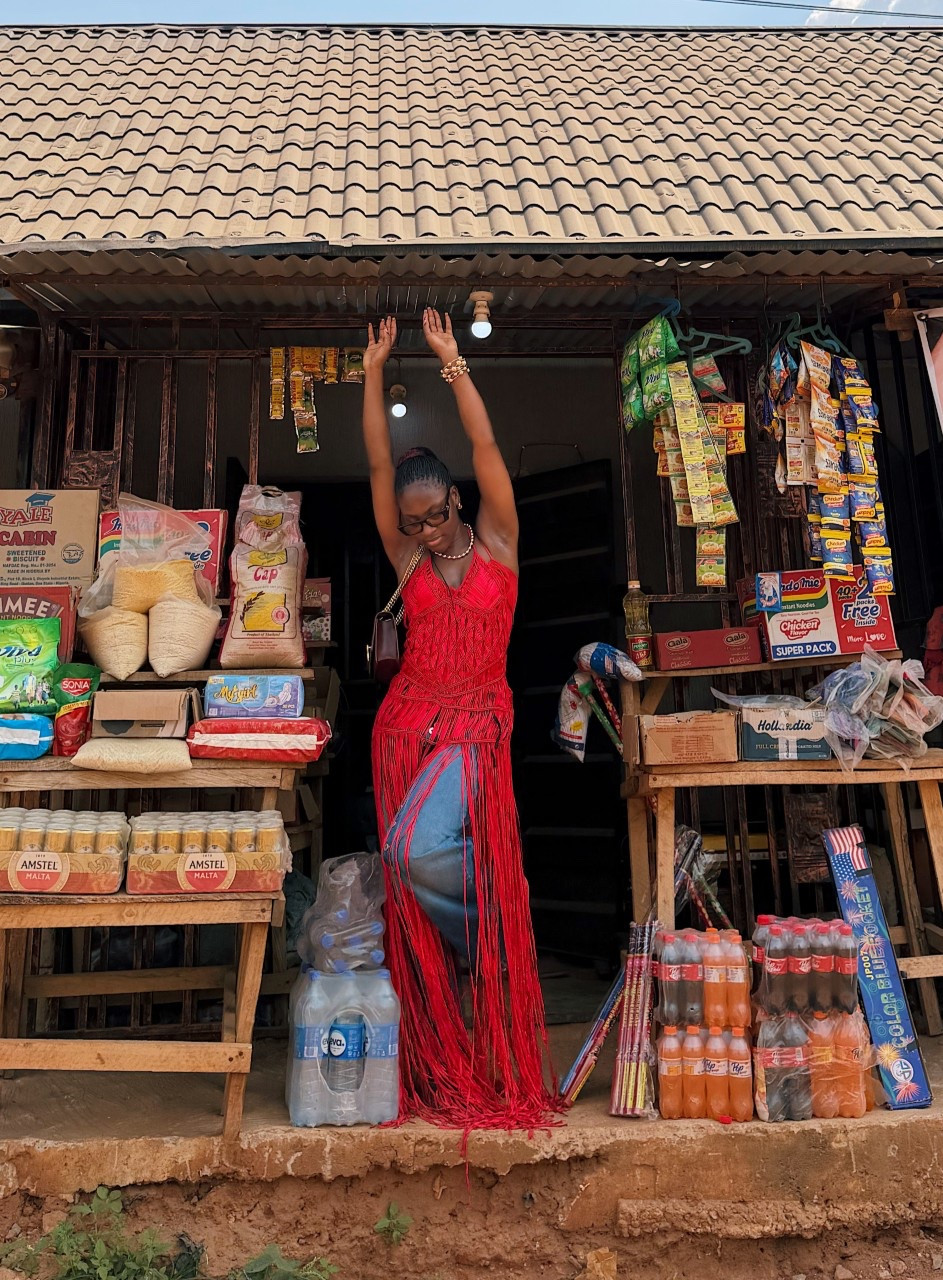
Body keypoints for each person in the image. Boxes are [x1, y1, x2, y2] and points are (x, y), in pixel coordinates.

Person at [362, 309, 557, 1130]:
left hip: (476, 732)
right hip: (406, 728)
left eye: (437, 514)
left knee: (432, 864)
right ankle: (464, 970)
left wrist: (450, 364)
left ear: (455, 500)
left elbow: (485, 451)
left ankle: (483, 962)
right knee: (409, 868)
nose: (427, 531)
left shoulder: (501, 542)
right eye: (413, 524)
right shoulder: (408, 558)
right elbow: (376, 457)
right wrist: (371, 371)